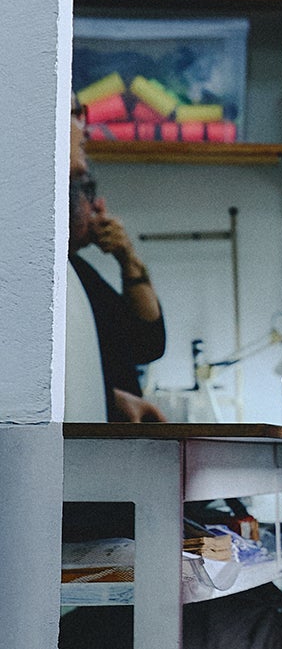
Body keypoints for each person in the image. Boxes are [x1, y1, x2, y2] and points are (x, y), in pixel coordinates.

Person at [68, 115, 167, 423]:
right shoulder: (58, 278)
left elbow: (147, 342)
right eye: (88, 191)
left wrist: (128, 258)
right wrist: (109, 399)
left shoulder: (80, 273)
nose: (100, 205)